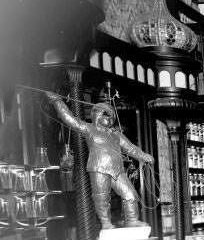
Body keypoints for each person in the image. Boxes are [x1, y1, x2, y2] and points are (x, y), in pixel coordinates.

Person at [46, 92, 154, 229]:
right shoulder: (89, 129)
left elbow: (131, 148)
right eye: (106, 115)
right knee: (102, 198)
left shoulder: (116, 135)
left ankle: (132, 220)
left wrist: (144, 156)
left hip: (117, 170)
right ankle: (106, 223)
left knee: (130, 194)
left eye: (111, 117)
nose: (110, 119)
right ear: (97, 114)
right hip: (99, 168)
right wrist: (57, 101)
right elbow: (70, 120)